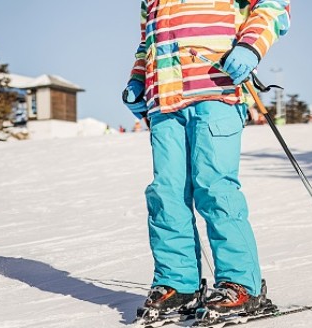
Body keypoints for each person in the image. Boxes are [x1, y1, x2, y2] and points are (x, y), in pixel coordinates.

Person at [122, 0, 291, 320]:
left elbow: (274, 6)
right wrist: (138, 78)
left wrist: (251, 47)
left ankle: (241, 285)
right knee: (166, 192)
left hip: (216, 92)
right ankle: (178, 284)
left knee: (215, 188)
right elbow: (148, 41)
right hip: (164, 101)